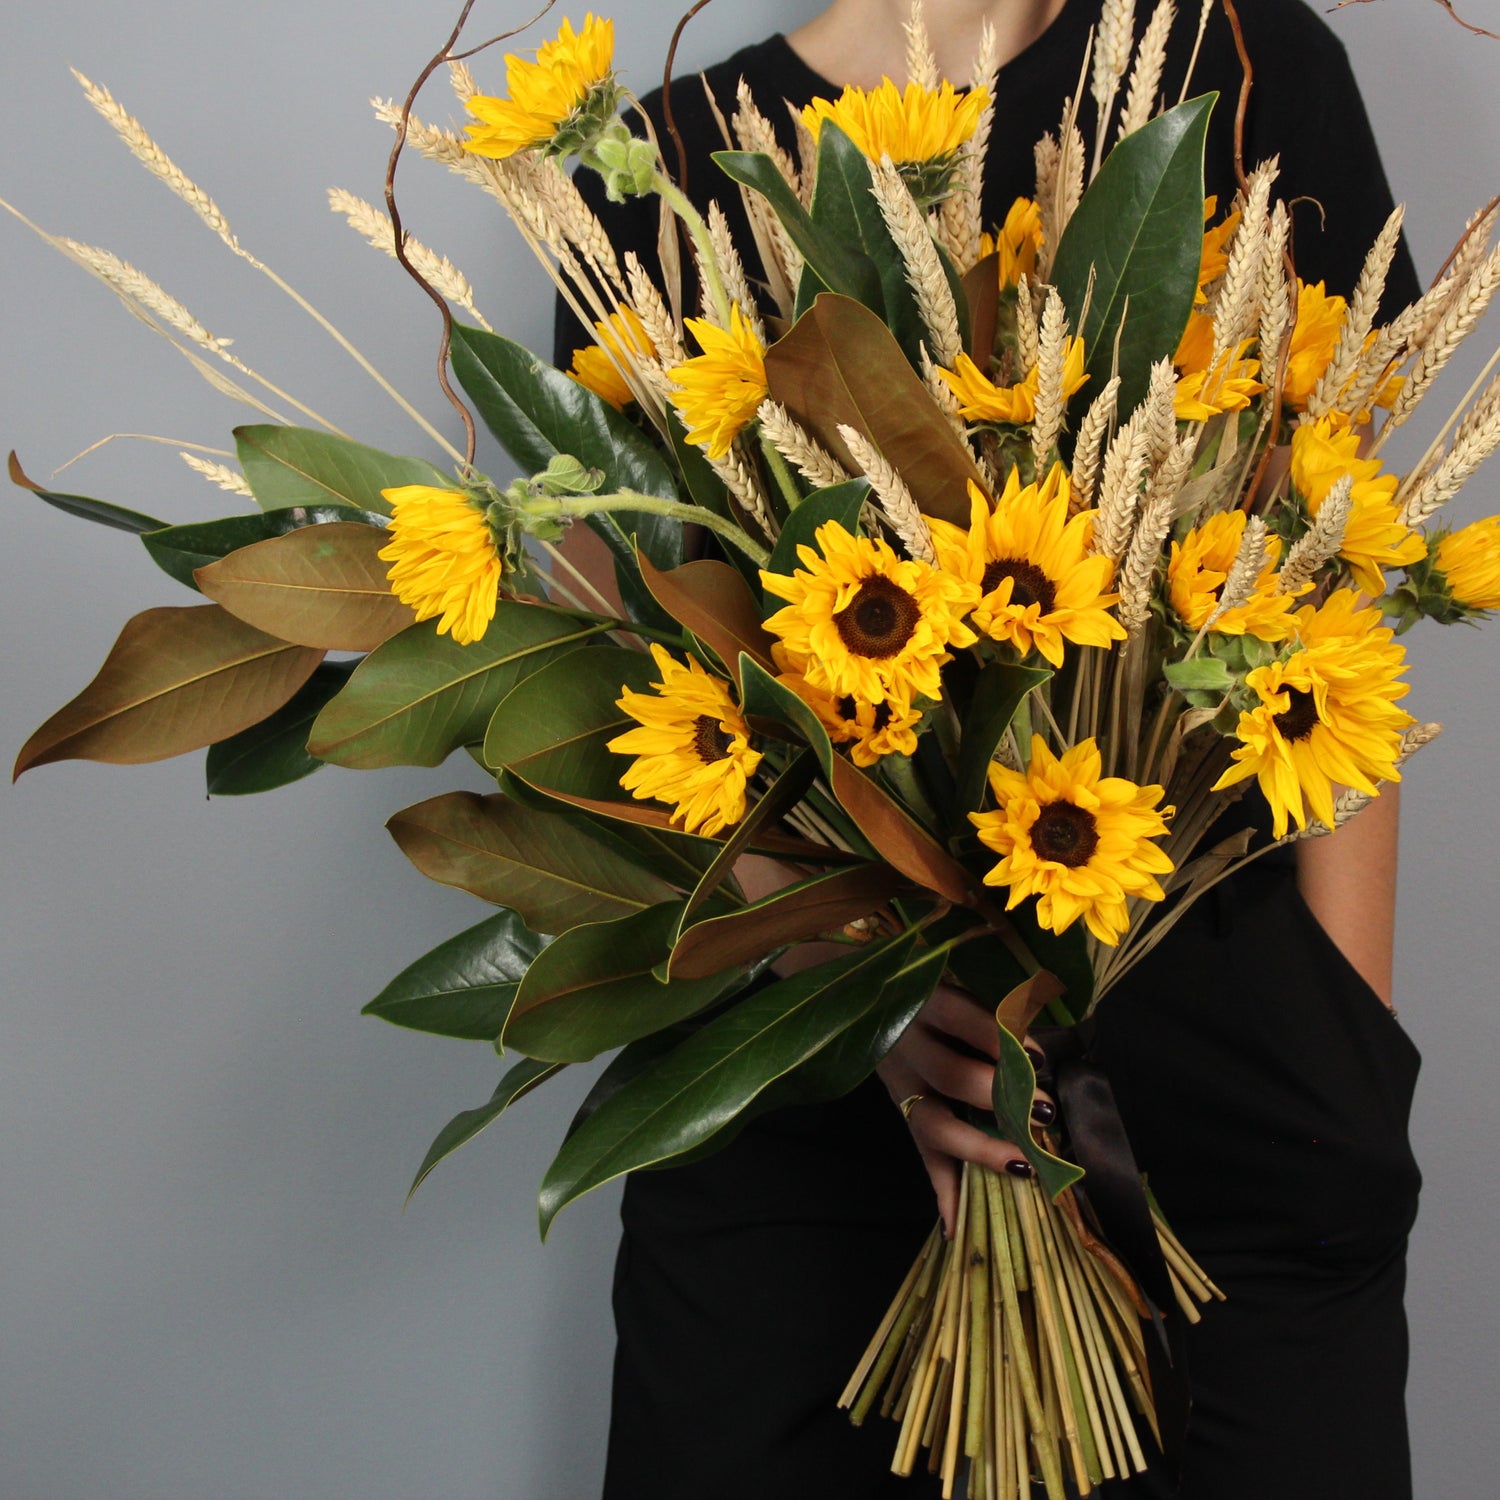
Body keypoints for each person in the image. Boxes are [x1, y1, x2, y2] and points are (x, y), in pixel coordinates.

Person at [555, 3, 1424, 1495]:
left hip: (1215, 1112)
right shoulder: (673, 168)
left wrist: (1341, 1060)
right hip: (809, 1118)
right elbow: (630, 662)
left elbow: (1330, 589)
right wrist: (859, 998)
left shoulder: (1245, 62)